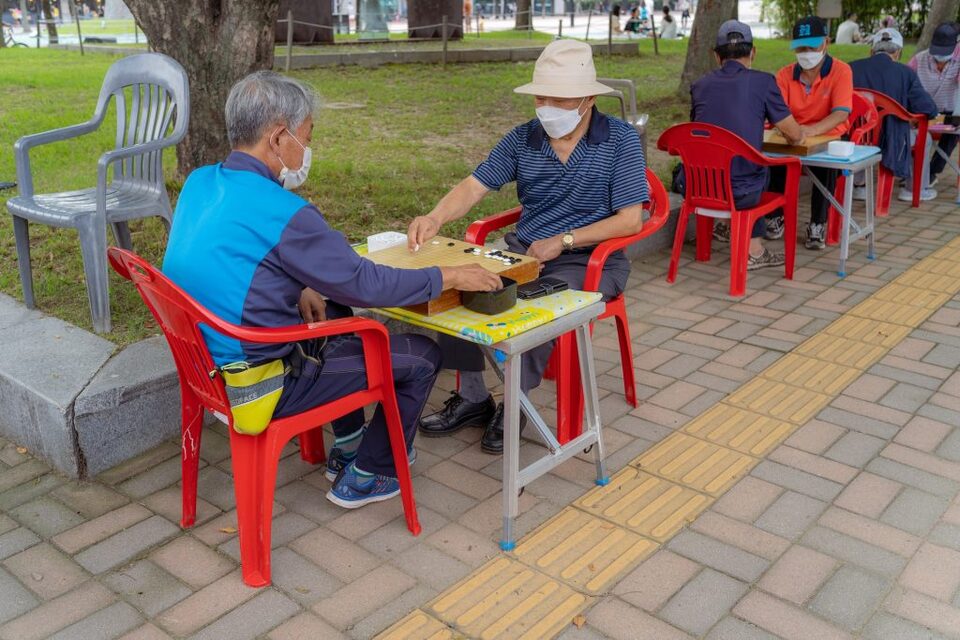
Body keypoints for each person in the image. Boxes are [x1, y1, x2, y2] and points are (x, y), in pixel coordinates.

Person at [162, 72, 501, 509]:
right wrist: (449, 276)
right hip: (257, 384)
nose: (307, 149)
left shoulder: (200, 182)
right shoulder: (286, 212)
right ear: (279, 137)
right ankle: (371, 474)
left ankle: (348, 444)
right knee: (421, 356)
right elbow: (365, 283)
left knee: (333, 307)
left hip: (205, 368)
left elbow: (231, 259)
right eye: (307, 136)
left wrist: (300, 282)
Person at [407, 40, 648, 454]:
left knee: (530, 309)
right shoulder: (524, 139)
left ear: (588, 99)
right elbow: (474, 185)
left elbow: (631, 218)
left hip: (587, 260)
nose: (547, 105)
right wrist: (435, 217)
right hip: (524, 250)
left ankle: (516, 402)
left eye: (560, 97)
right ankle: (472, 397)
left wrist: (565, 240)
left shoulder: (620, 140)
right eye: (541, 96)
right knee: (455, 286)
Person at [686, 19, 804, 269]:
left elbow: (699, 132)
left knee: (743, 166)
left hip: (699, 187)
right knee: (759, 169)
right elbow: (794, 135)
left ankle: (727, 229)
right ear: (753, 52)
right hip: (741, 192)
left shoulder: (699, 86)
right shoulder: (763, 82)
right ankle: (755, 251)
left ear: (716, 56)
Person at [769, 16, 853, 250]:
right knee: (773, 160)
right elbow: (778, 113)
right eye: (801, 47)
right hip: (793, 135)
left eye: (812, 46)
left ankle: (818, 223)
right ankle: (775, 216)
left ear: (826, 42)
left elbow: (840, 114)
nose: (807, 53)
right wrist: (792, 131)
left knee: (825, 165)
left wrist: (811, 130)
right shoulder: (784, 75)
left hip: (829, 134)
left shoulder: (841, 71)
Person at [852, 29, 938, 201]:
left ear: (872, 50)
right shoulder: (905, 73)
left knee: (861, 130)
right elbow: (929, 109)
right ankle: (913, 190)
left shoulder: (850, 68)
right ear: (898, 53)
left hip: (856, 138)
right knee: (925, 138)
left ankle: (858, 185)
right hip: (893, 140)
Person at [909, 23, 960, 190]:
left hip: (950, 113)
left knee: (954, 133)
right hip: (923, 113)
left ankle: (931, 172)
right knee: (906, 129)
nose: (940, 57)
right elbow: (906, 84)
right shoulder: (919, 60)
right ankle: (911, 171)